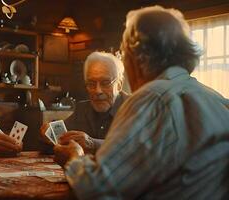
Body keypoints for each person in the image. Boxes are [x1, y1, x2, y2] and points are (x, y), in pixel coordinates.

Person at [54, 5, 229, 200]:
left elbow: (97, 189)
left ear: (138, 59)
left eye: (124, 54)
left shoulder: (151, 98)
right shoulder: (215, 98)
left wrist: (74, 158)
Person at [40, 52, 129, 153]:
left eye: (105, 83)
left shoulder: (136, 107)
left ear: (119, 85)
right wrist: (47, 137)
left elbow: (133, 148)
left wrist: (92, 144)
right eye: (91, 84)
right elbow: (58, 143)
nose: (97, 91)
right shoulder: (82, 109)